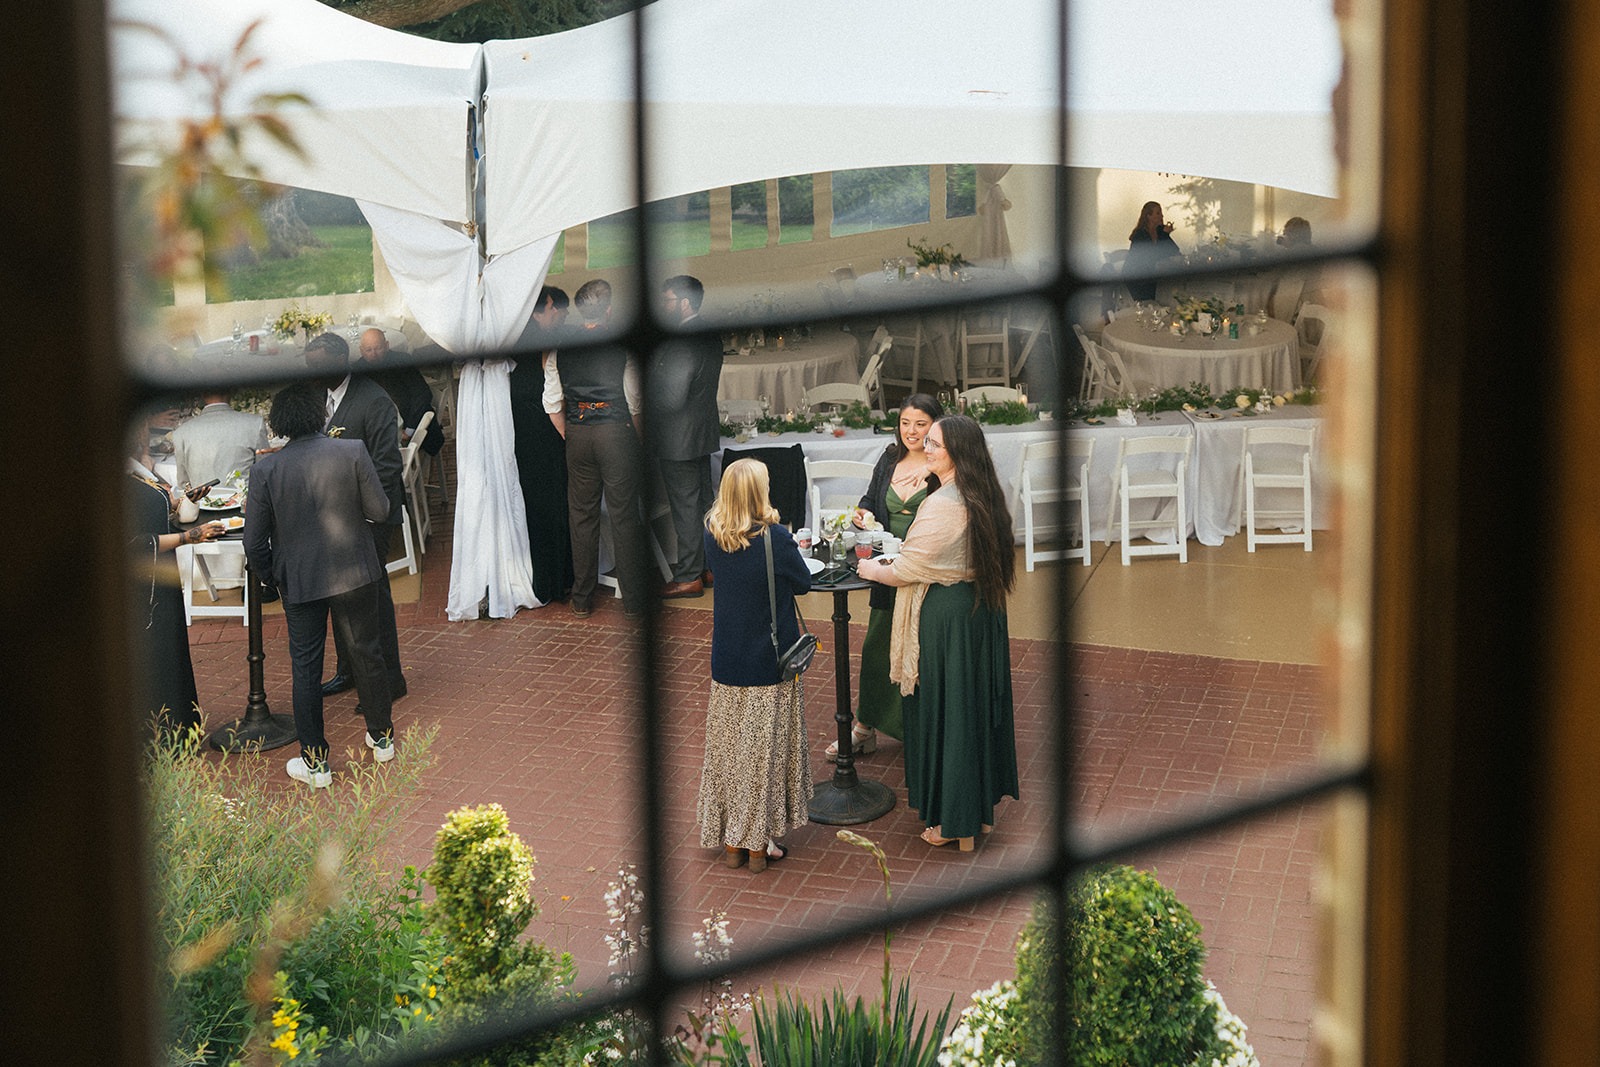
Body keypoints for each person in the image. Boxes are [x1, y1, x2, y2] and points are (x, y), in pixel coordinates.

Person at [858, 414, 1018, 851]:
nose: (925, 448)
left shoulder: (946, 503)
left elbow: (908, 567)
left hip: (948, 621)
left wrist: (869, 567)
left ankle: (954, 822)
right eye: (925, 440)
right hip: (977, 613)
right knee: (972, 712)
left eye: (935, 444)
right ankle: (975, 815)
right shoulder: (981, 492)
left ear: (958, 455)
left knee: (949, 716)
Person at [244, 383, 398, 788]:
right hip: (356, 572)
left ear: (278, 425)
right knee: (368, 652)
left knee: (305, 669)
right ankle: (382, 738)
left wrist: (269, 577)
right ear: (320, 416)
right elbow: (380, 510)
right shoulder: (352, 451)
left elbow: (253, 542)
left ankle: (316, 763)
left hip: (300, 579)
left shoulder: (265, 470)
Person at [695, 458, 813, 872]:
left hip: (727, 658)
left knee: (729, 751)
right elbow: (804, 582)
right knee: (763, 754)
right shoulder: (776, 539)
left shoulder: (713, 534)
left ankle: (732, 843)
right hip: (769, 659)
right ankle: (759, 843)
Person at [827, 393, 944, 761]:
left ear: (935, 426)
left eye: (921, 424)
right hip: (888, 572)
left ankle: (924, 729)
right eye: (906, 423)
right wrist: (863, 514)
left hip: (926, 574)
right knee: (877, 648)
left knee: (922, 652)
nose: (911, 431)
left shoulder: (942, 461)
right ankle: (865, 727)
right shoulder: (890, 458)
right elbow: (869, 500)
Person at [302, 332, 408, 699]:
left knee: (372, 601)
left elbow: (387, 466)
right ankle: (349, 672)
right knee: (340, 599)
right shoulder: (319, 397)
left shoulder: (374, 400)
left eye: (317, 367)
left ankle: (389, 682)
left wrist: (357, 510)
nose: (310, 374)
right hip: (333, 519)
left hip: (370, 518)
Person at [543, 279, 650, 618]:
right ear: (607, 310)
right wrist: (636, 440)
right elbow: (635, 402)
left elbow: (551, 402)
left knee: (582, 517)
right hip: (615, 434)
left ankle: (582, 598)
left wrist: (571, 432)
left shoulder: (561, 348)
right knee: (624, 517)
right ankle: (634, 601)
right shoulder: (622, 346)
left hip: (578, 434)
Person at [127, 420, 226, 741]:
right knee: (157, 655)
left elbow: (157, 512)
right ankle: (161, 738)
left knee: (172, 651)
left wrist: (183, 502)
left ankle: (182, 730)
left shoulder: (139, 470)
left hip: (162, 578)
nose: (145, 432)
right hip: (144, 588)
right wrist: (189, 537)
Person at [650, 275, 723, 599]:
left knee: (686, 509)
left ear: (683, 302)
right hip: (702, 433)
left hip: (677, 438)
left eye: (667, 300)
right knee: (704, 504)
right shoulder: (709, 332)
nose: (663, 306)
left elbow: (673, 397)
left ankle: (689, 576)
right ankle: (709, 568)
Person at [509, 285, 575, 603]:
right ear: (544, 308)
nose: (559, 319)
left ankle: (551, 579)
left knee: (543, 505)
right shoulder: (535, 339)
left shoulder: (520, 336)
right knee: (549, 505)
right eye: (556, 313)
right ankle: (554, 579)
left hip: (528, 435)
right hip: (540, 435)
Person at [355, 328, 444, 458]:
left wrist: (408, 431)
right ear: (361, 351)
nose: (373, 354)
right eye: (368, 350)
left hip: (410, 423)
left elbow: (422, 395)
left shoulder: (402, 361)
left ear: (386, 345)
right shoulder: (358, 370)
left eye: (378, 348)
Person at [171, 390, 268, 489]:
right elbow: (265, 474)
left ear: (202, 394)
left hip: (200, 502)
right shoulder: (254, 423)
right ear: (231, 391)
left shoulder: (181, 432)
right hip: (244, 502)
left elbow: (184, 486)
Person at [1124, 200, 1182, 301]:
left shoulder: (1160, 231)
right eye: (1158, 213)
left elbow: (1173, 251)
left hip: (1153, 275)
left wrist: (1165, 235)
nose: (1162, 216)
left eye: (1161, 213)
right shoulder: (1140, 235)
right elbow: (1149, 257)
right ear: (1148, 216)